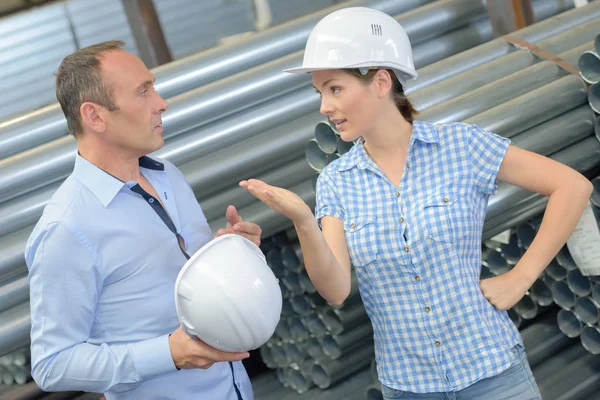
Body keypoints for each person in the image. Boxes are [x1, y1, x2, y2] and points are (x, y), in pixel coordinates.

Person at [240, 7, 593, 400]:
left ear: (380, 82)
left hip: (494, 374)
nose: (324, 106)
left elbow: (571, 186)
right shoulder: (337, 182)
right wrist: (304, 222)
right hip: (409, 387)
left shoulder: (460, 147)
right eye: (320, 92)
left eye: (335, 88)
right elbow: (336, 289)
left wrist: (520, 277)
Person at [25, 40, 261, 400]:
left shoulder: (168, 175)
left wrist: (231, 252)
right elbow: (52, 364)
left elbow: (179, 284)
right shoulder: (66, 229)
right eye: (143, 92)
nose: (161, 103)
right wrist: (168, 354)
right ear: (95, 116)